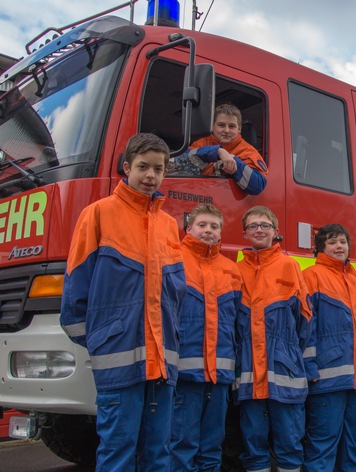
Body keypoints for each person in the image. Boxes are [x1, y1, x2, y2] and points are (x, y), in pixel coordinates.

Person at [60, 132, 186, 471]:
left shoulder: (168, 225)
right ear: (127, 167)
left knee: (159, 452)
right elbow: (75, 293)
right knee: (118, 451)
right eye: (143, 167)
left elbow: (176, 295)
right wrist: (102, 340)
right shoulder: (97, 214)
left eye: (158, 169)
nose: (150, 176)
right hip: (119, 360)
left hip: (161, 361)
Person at [235, 205, 312, 472]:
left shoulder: (289, 266)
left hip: (284, 370)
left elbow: (305, 321)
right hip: (249, 372)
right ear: (244, 232)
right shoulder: (237, 270)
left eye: (265, 225)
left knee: (290, 443)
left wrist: (289, 355)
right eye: (253, 226)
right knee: (253, 442)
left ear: (275, 232)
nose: (259, 230)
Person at [170, 204, 242, 472]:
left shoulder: (231, 269)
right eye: (202, 225)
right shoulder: (174, 261)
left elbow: (237, 325)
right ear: (189, 229)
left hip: (220, 377)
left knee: (213, 447)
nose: (208, 231)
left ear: (221, 231)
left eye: (214, 226)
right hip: (184, 374)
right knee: (181, 444)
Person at [302, 224, 356, 472]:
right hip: (326, 378)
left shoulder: (353, 279)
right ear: (321, 247)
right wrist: (310, 367)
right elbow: (306, 326)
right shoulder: (312, 276)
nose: (339, 246)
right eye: (332, 242)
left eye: (343, 241)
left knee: (354, 444)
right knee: (323, 445)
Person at [171, 103, 268, 195]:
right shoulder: (201, 143)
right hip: (199, 196)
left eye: (232, 126)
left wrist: (235, 164)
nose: (226, 130)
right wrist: (217, 152)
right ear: (212, 126)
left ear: (239, 129)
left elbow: (258, 186)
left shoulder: (248, 151)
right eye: (221, 125)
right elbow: (181, 162)